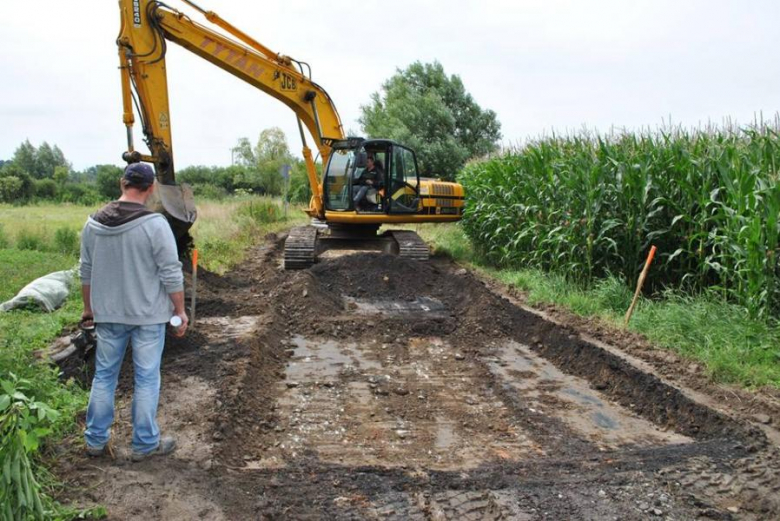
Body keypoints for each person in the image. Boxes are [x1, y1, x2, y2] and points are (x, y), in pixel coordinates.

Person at [79, 162, 188, 462]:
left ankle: (95, 441)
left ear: (121, 183)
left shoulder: (92, 224)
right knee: (146, 378)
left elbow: (85, 270)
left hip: (108, 315)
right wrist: (179, 311)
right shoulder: (154, 225)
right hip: (148, 317)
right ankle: (144, 444)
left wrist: (89, 308)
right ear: (151, 188)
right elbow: (170, 272)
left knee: (104, 377)